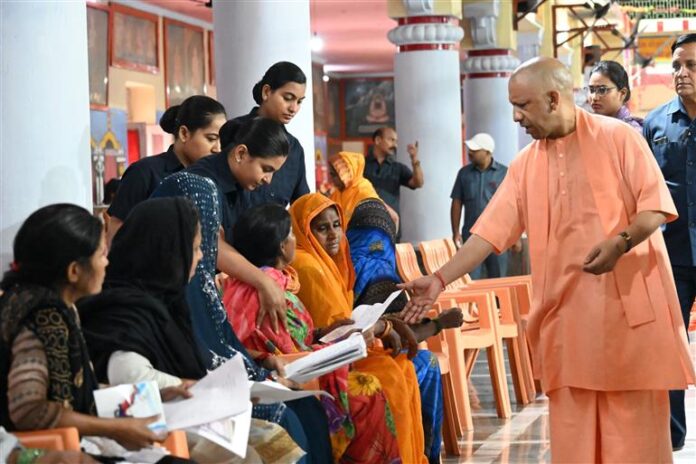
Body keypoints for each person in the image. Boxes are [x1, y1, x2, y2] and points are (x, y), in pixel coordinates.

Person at [400, 57, 695, 463]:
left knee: (634, 437)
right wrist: (437, 278)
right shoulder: (525, 165)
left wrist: (620, 243)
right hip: (567, 318)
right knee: (574, 438)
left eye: (522, 105)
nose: (516, 117)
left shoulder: (620, 139)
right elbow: (487, 233)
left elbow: (654, 208)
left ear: (554, 99)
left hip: (627, 317)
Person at [78, 198, 305, 463]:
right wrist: (207, 391)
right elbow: (129, 375)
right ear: (168, 252)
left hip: (180, 413)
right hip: (143, 425)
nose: (200, 258)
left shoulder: (167, 302)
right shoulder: (122, 311)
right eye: (195, 248)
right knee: (253, 452)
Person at [151, 173, 333, 463]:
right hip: (186, 401)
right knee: (284, 416)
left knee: (308, 408)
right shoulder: (157, 291)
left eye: (208, 238)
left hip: (224, 385)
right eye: (201, 240)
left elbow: (221, 342)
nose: (206, 253)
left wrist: (260, 360)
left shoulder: (201, 282)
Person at [223, 204, 401, 464]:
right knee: (369, 391)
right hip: (285, 381)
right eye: (293, 235)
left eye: (336, 225)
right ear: (283, 246)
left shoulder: (242, 284)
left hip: (267, 372)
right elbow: (294, 357)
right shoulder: (272, 294)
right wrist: (349, 342)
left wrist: (326, 332)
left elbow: (294, 340)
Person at [0, 204, 180, 449]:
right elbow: (28, 410)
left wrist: (153, 395)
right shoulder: (45, 318)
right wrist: (117, 428)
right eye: (101, 255)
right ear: (74, 271)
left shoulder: (31, 300)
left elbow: (79, 391)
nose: (107, 263)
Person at [289, 193, 428, 464]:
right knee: (391, 374)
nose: (332, 235)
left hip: (347, 345)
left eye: (336, 225)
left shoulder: (336, 262)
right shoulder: (308, 266)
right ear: (303, 230)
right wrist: (378, 328)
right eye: (321, 228)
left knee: (405, 366)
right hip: (329, 358)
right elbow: (331, 331)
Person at [346, 199, 460, 463]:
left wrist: (438, 324)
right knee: (407, 371)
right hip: (351, 364)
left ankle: (425, 455)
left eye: (380, 241)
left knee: (424, 363)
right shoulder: (338, 273)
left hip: (385, 357)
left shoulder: (387, 274)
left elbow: (405, 333)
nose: (373, 249)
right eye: (365, 241)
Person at [182, 117, 291, 332]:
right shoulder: (199, 183)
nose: (268, 179)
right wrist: (264, 281)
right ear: (241, 154)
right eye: (266, 168)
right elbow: (212, 246)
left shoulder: (250, 186)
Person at [643, 33, 696, 452]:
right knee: (669, 347)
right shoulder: (656, 124)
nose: (682, 73)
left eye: (691, 65)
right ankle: (670, 435)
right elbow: (642, 191)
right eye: (677, 65)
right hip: (671, 254)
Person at [107, 95, 226, 243]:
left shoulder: (213, 179)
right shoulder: (144, 172)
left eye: (222, 140)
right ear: (184, 133)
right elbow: (117, 230)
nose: (218, 148)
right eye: (211, 138)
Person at [230, 61, 310, 208]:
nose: (293, 108)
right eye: (287, 98)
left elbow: (302, 205)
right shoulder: (234, 131)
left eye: (299, 102)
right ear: (266, 92)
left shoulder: (294, 149)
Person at [450, 133, 511, 279]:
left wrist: (514, 236)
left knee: (498, 279)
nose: (470, 152)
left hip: (498, 237)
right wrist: (456, 232)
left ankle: (497, 303)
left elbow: (512, 205)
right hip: (471, 236)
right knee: (471, 279)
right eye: (470, 149)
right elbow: (457, 202)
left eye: (475, 150)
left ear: (488, 152)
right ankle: (473, 303)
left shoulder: (505, 173)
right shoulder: (464, 174)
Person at [364, 127, 424, 240]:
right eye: (391, 140)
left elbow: (418, 183)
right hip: (366, 228)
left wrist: (414, 160)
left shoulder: (398, 168)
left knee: (389, 258)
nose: (395, 145)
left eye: (396, 141)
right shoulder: (361, 165)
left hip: (391, 228)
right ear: (378, 140)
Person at [328, 151, 399, 227]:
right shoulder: (337, 193)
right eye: (330, 174)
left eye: (334, 175)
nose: (331, 179)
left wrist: (387, 238)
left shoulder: (363, 192)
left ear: (347, 174)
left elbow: (394, 218)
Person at [587, 60, 643, 130]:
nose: (594, 97)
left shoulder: (632, 131)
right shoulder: (591, 127)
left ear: (622, 93)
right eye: (592, 90)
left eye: (602, 90)